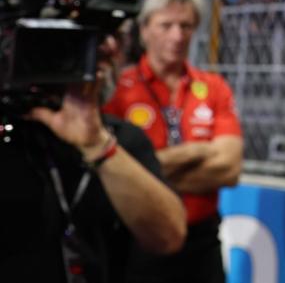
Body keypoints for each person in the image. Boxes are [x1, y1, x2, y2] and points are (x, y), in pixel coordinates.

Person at [1, 36, 186, 283]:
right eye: (91, 34)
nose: (108, 45)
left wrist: (97, 144)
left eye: (116, 35)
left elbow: (168, 237)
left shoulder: (122, 139)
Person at [103, 0, 243, 283]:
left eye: (186, 26)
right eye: (166, 25)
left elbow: (229, 169)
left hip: (202, 241)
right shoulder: (119, 89)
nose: (177, 36)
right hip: (137, 242)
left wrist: (143, 173)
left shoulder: (214, 87)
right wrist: (195, 152)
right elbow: (106, 170)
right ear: (144, 30)